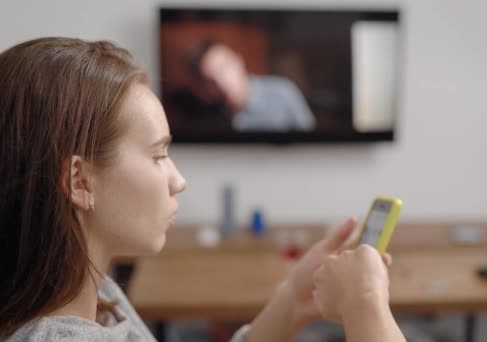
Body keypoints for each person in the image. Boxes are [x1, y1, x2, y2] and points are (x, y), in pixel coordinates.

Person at [0, 37, 399, 342]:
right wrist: (365, 305)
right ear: (80, 182)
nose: (179, 180)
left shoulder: (94, 291)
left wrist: (293, 298)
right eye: (158, 155)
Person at [184, 41, 316, 132]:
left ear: (239, 61)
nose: (222, 81)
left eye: (224, 68)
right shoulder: (208, 117)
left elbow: (311, 143)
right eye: (210, 80)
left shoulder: (282, 92)